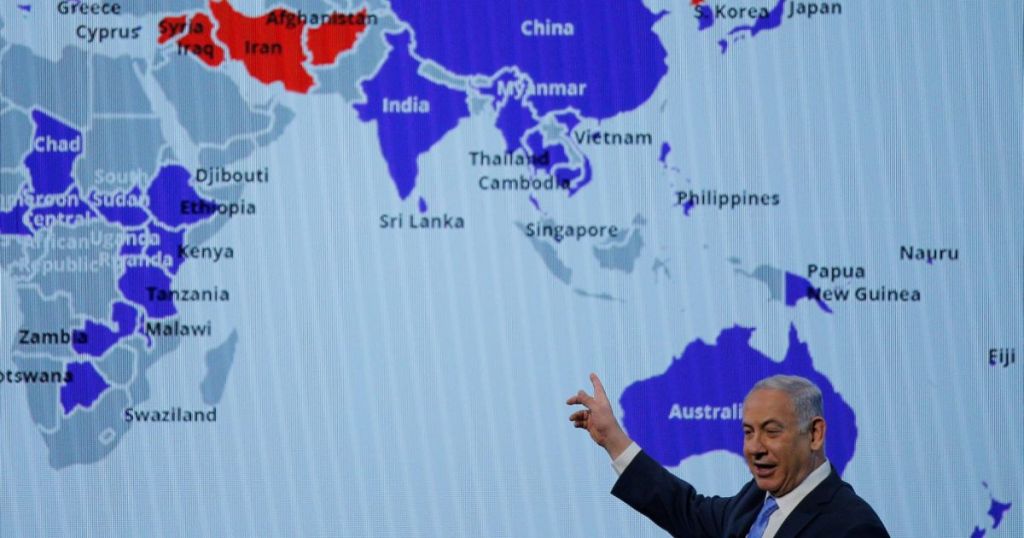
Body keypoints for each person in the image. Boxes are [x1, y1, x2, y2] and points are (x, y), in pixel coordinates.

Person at [567, 373, 889, 537]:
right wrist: (613, 438)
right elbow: (686, 510)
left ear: (815, 434)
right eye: (748, 432)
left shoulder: (853, 528)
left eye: (771, 431)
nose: (755, 447)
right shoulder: (756, 499)